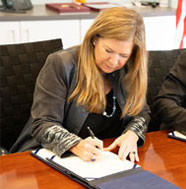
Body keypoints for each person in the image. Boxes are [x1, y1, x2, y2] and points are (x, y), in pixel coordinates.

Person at [11, 7, 150, 162]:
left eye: (123, 55)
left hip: (104, 162)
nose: (113, 61)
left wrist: (132, 134)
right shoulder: (61, 64)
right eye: (108, 50)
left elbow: (142, 112)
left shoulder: (129, 68)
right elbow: (43, 123)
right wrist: (75, 145)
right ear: (94, 39)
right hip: (50, 158)